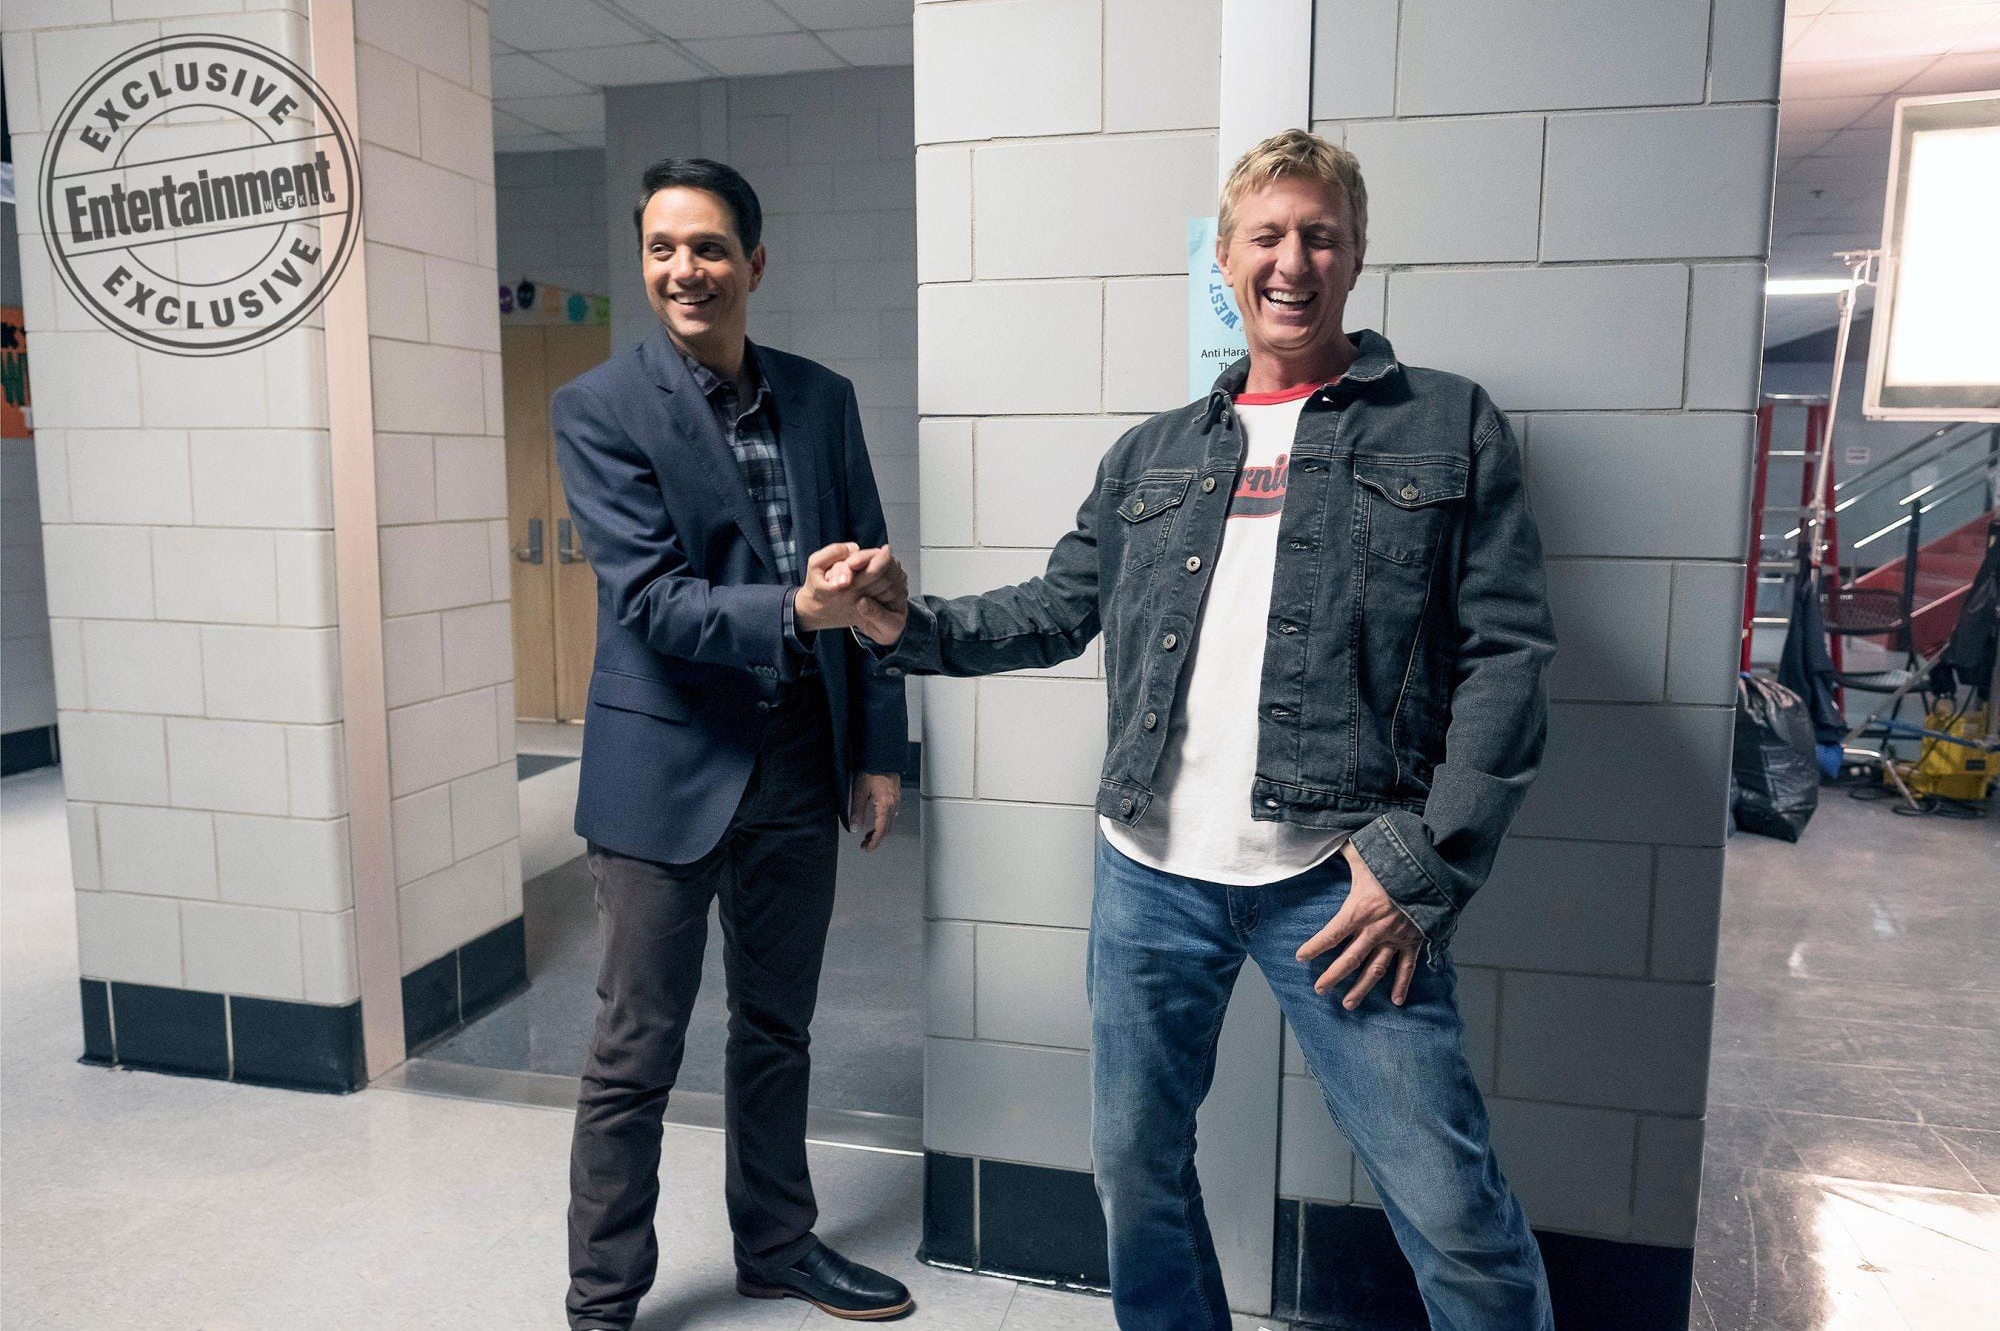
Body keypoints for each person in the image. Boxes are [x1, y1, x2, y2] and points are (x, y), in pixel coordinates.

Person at [841, 129, 1558, 1329]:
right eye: (1266, 236)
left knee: (1449, 1206)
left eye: (1319, 235)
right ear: (1223, 260)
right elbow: (1053, 609)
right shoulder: (1152, 452)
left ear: (1354, 256)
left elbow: (1507, 659)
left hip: (1343, 880)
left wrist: (1425, 863)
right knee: (1135, 1172)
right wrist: (899, 622)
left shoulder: (1445, 424)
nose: (1292, 260)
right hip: (1149, 874)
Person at [552, 158, 915, 1329]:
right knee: (635, 1050)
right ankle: (603, 1300)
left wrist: (878, 747)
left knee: (775, 1028)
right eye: (661, 248)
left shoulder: (820, 398)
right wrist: (795, 610)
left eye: (707, 247)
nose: (684, 270)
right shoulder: (599, 407)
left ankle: (776, 1244)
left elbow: (873, 587)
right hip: (662, 770)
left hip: (798, 759)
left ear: (753, 262)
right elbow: (651, 601)